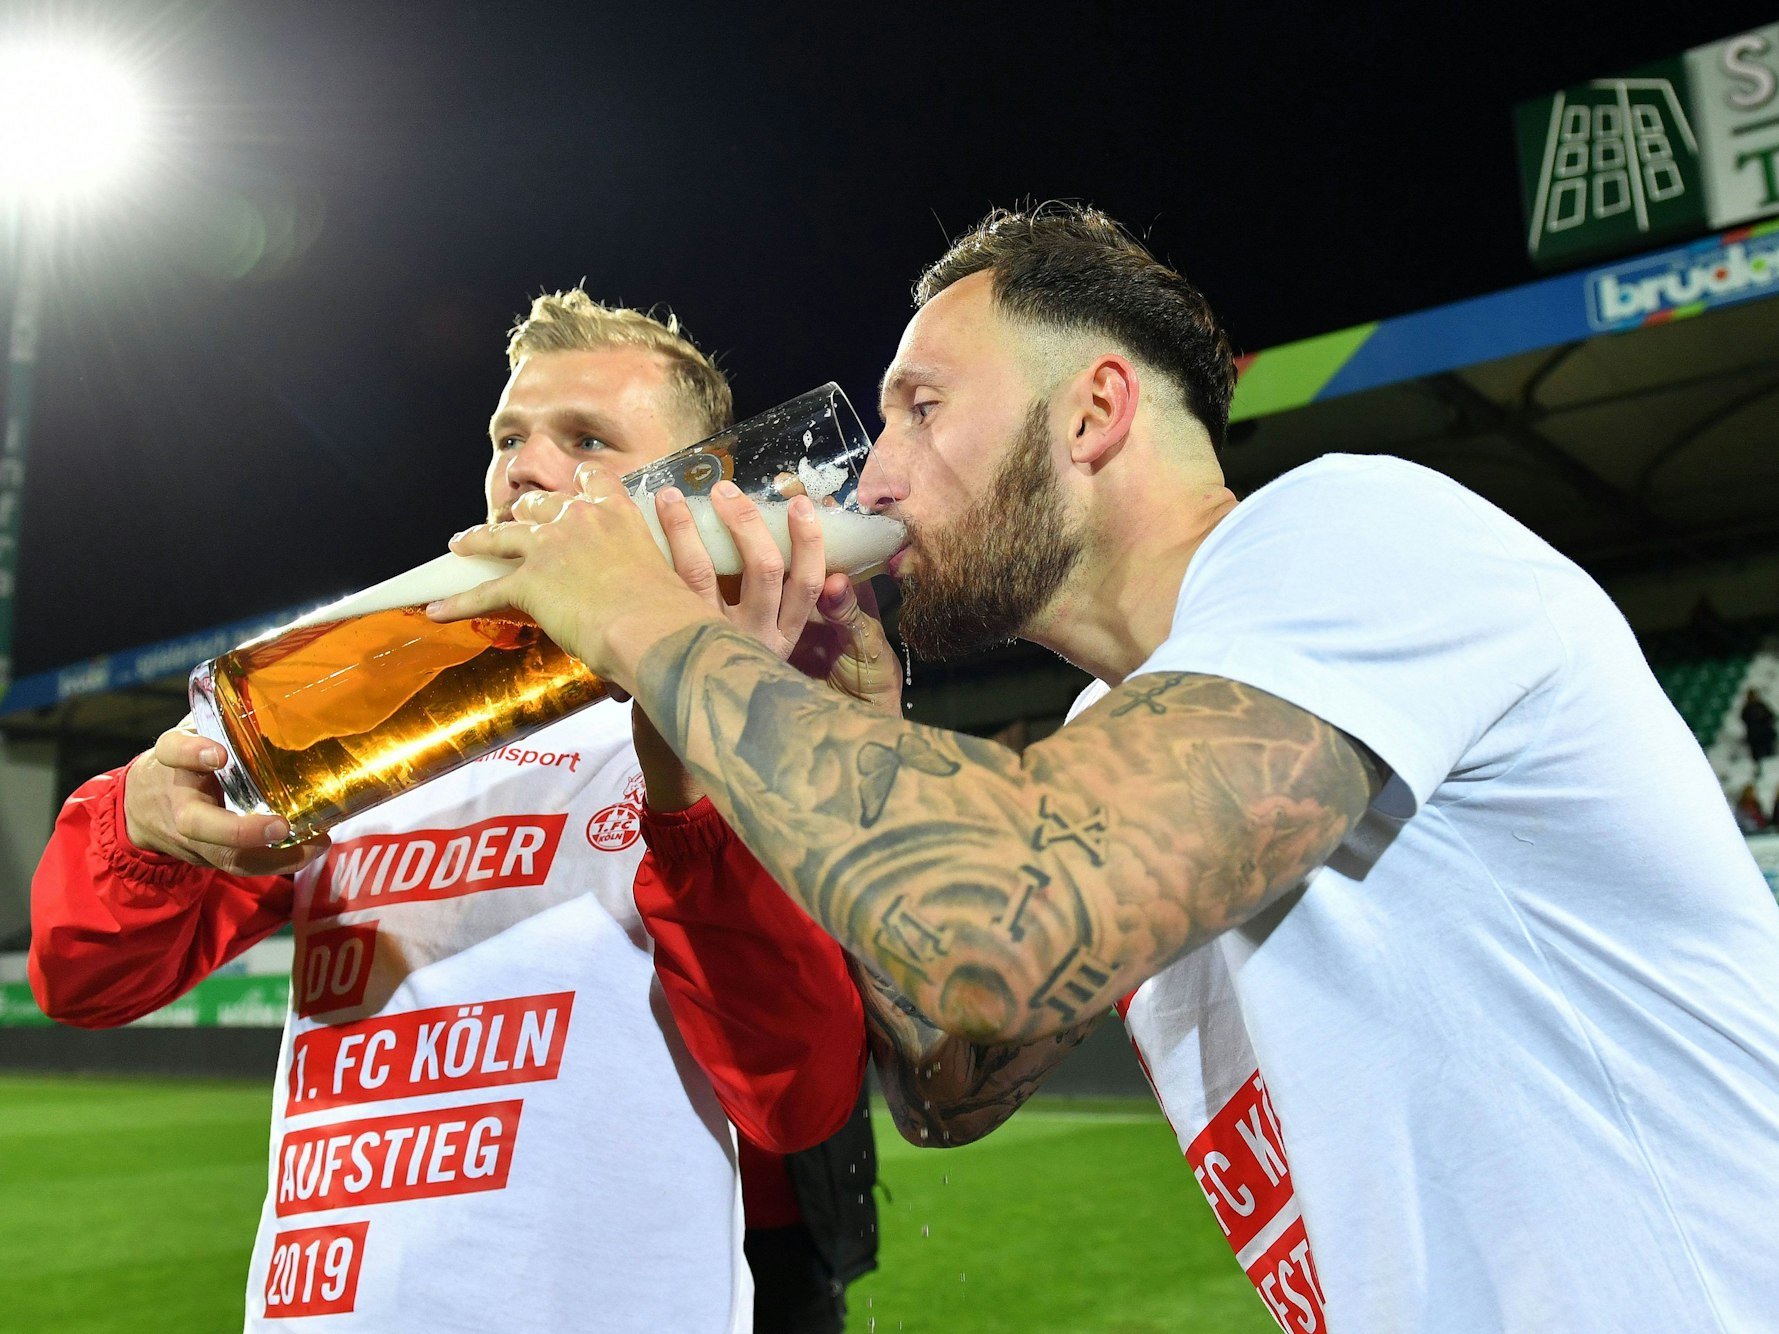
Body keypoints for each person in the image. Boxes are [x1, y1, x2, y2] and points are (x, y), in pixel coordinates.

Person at [432, 205, 1779, 1332]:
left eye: (918, 407)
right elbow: (945, 1081)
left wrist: (643, 618)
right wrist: (861, 705)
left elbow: (1002, 926)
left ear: (1091, 413)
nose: (874, 474)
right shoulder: (1108, 733)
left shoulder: (1356, 534)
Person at [29, 293, 875, 1332]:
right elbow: (85, 976)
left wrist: (693, 787)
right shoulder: (362, 705)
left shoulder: (745, 721)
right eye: (508, 435)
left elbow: (801, 1095)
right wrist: (142, 826)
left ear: (694, 491)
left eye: (586, 439)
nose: (524, 464)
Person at [1743, 687, 1775, 774]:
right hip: (1754, 738)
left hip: (1766, 736)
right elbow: (1745, 720)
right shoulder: (1746, 709)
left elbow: (1771, 716)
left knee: (1770, 758)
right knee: (1757, 759)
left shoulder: (1761, 706)